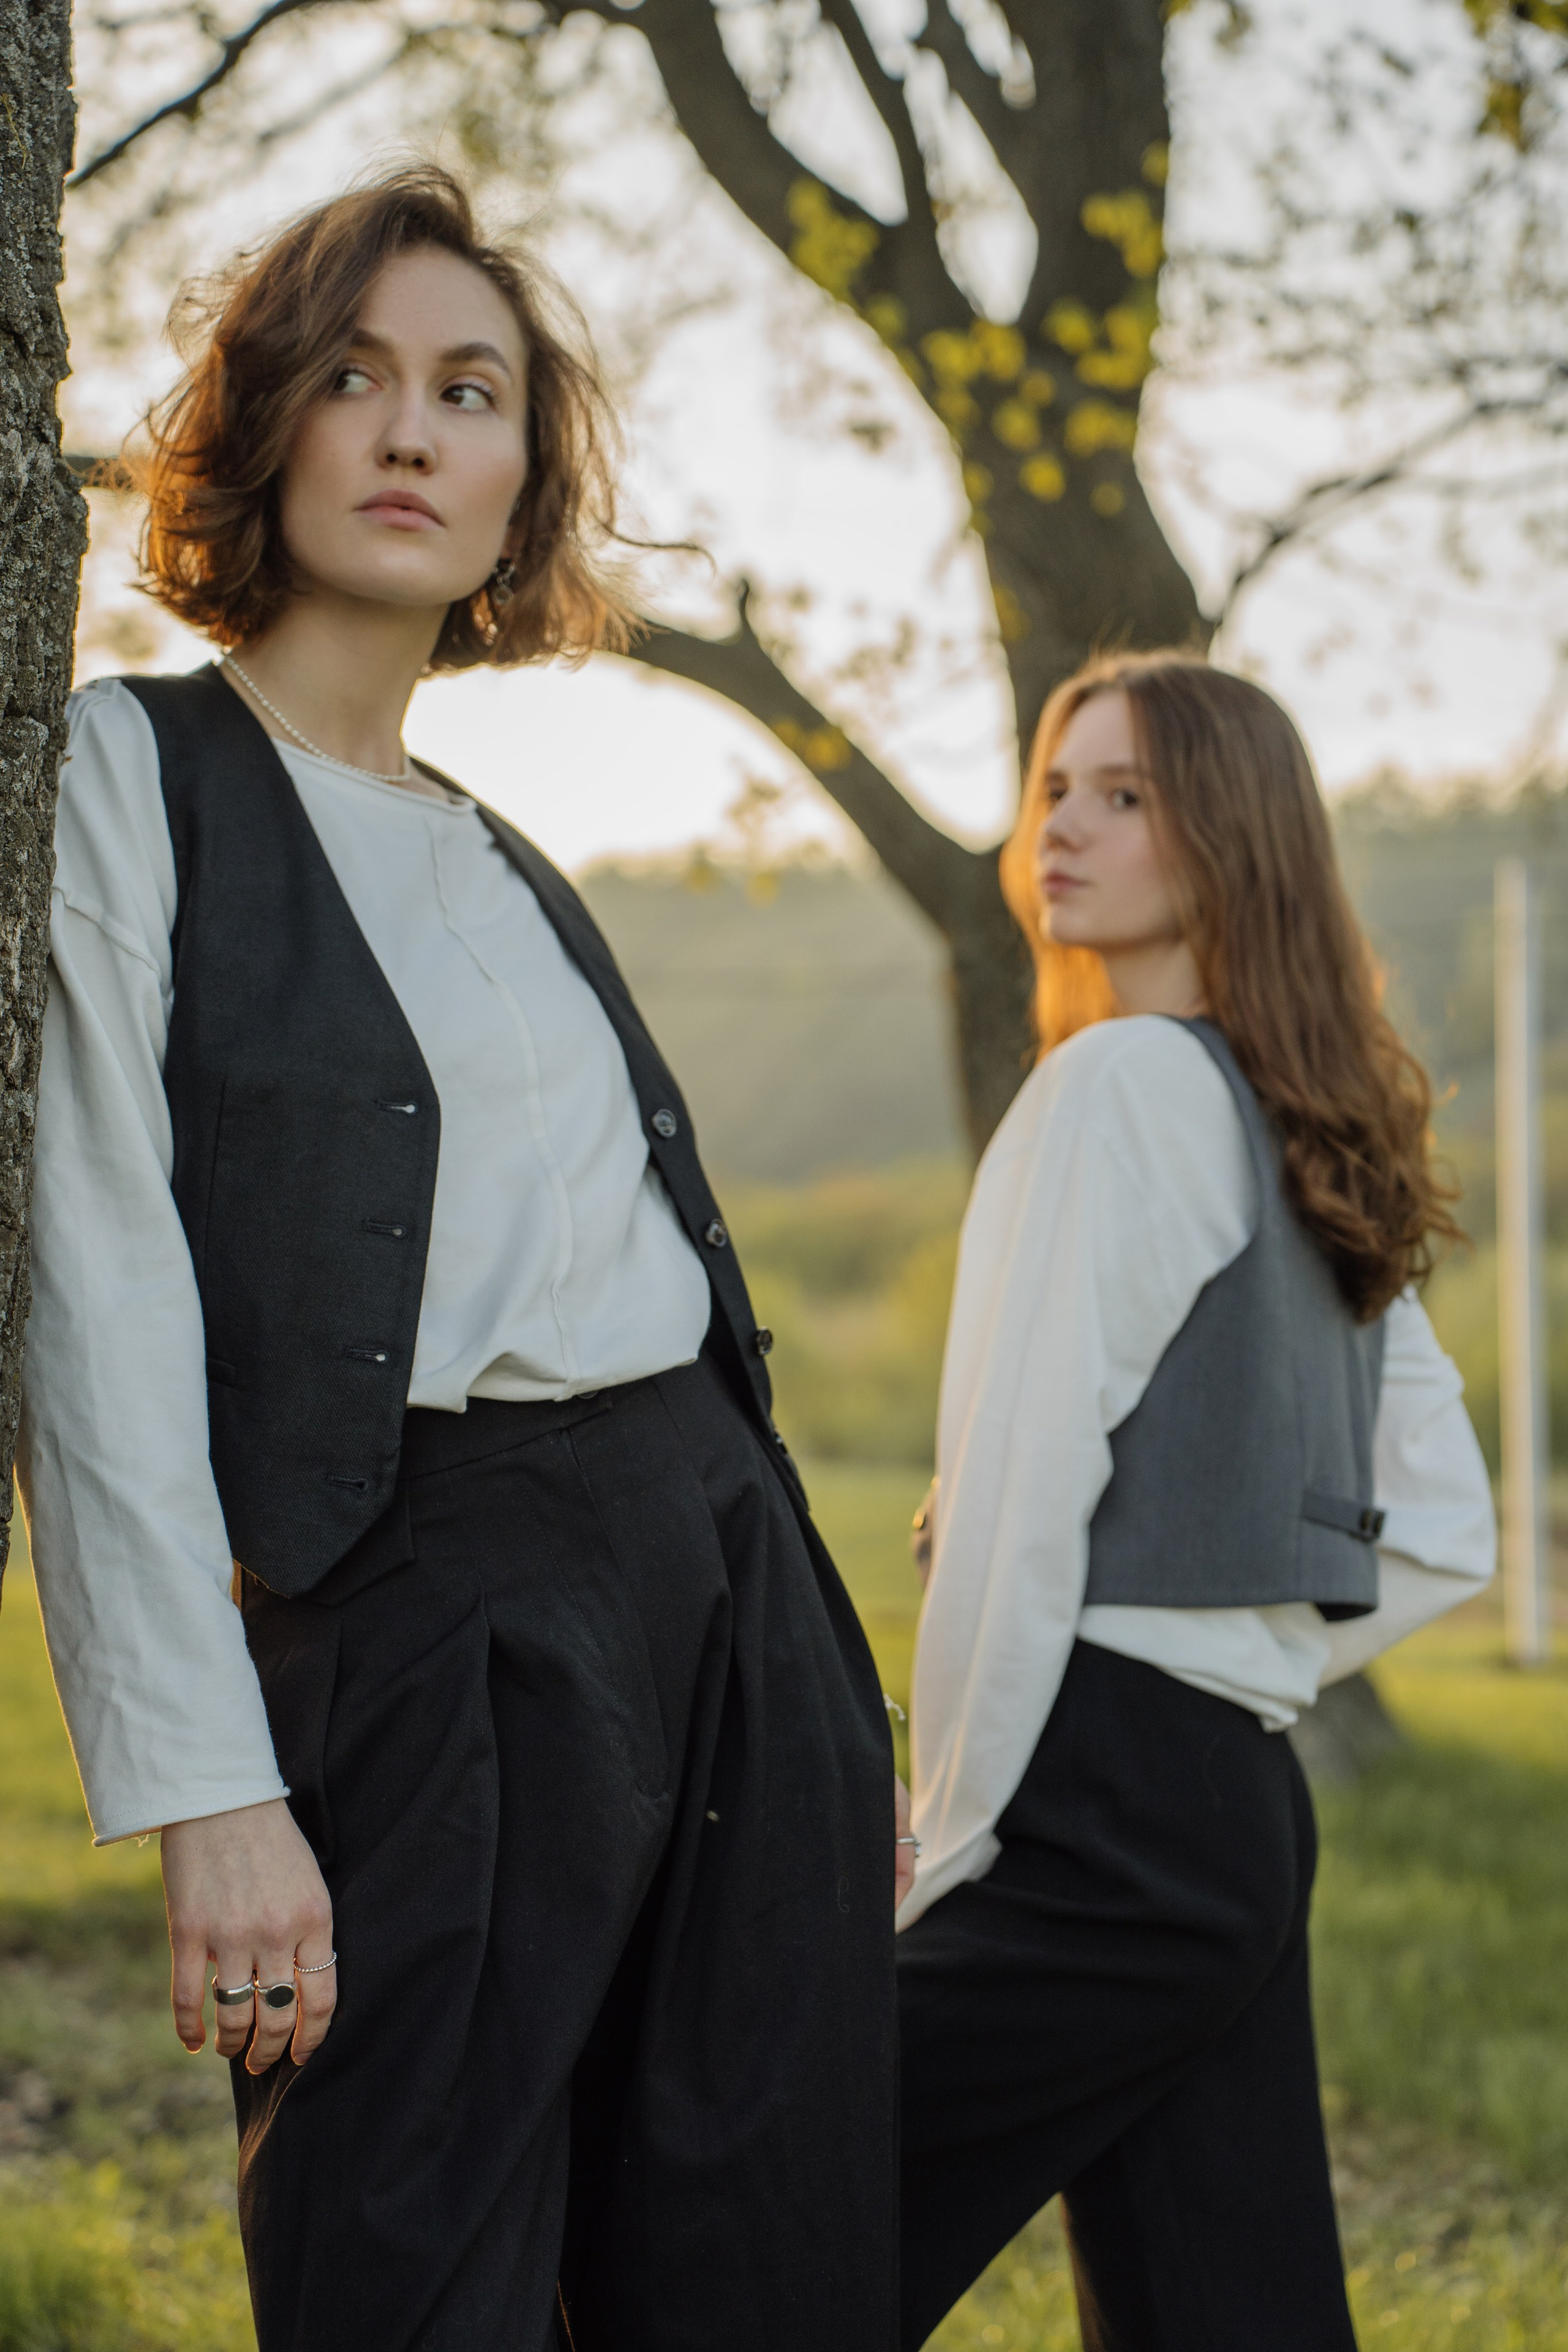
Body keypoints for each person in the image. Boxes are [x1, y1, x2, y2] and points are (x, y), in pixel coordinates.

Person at [18, 164, 908, 2352]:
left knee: (759, 2272)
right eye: (354, 376)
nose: (413, 430)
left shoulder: (508, 858)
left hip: (722, 1580)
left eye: (471, 390)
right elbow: (97, 1297)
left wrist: (817, 1702)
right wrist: (210, 1789)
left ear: (523, 484)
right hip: (426, 1612)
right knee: (405, 2269)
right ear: (264, 425)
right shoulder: (133, 773)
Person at [896, 652, 1496, 2351]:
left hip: (1095, 1806)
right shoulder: (1306, 1129)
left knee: (745, 2224)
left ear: (1231, 835)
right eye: (1054, 789)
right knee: (1231, 2314)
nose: (1060, 829)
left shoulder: (1116, 1087)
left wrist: (944, 1834)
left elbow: (1019, 1506)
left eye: (1126, 795)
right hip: (1236, 1806)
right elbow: (1447, 1528)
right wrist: (1242, 1663)